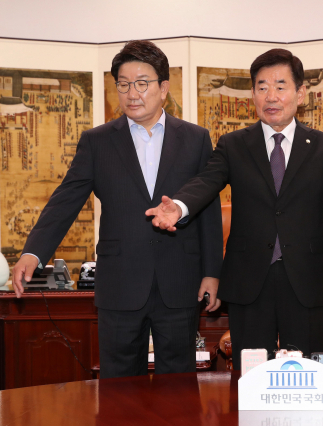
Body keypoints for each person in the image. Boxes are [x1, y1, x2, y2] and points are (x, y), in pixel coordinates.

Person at [145, 48, 323, 370]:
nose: (271, 96)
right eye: (262, 87)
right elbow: (207, 181)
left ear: (300, 94)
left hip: (306, 279)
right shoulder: (234, 144)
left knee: (306, 376)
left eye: (280, 86)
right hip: (249, 280)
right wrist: (180, 207)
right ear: (253, 94)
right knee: (250, 376)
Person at [12, 40, 223, 379]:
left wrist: (212, 271)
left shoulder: (195, 139)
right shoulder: (97, 141)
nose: (131, 93)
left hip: (179, 280)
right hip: (120, 283)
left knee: (178, 385)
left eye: (142, 83)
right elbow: (66, 200)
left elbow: (207, 209)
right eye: (123, 84)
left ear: (163, 88)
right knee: (119, 387)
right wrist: (33, 253)